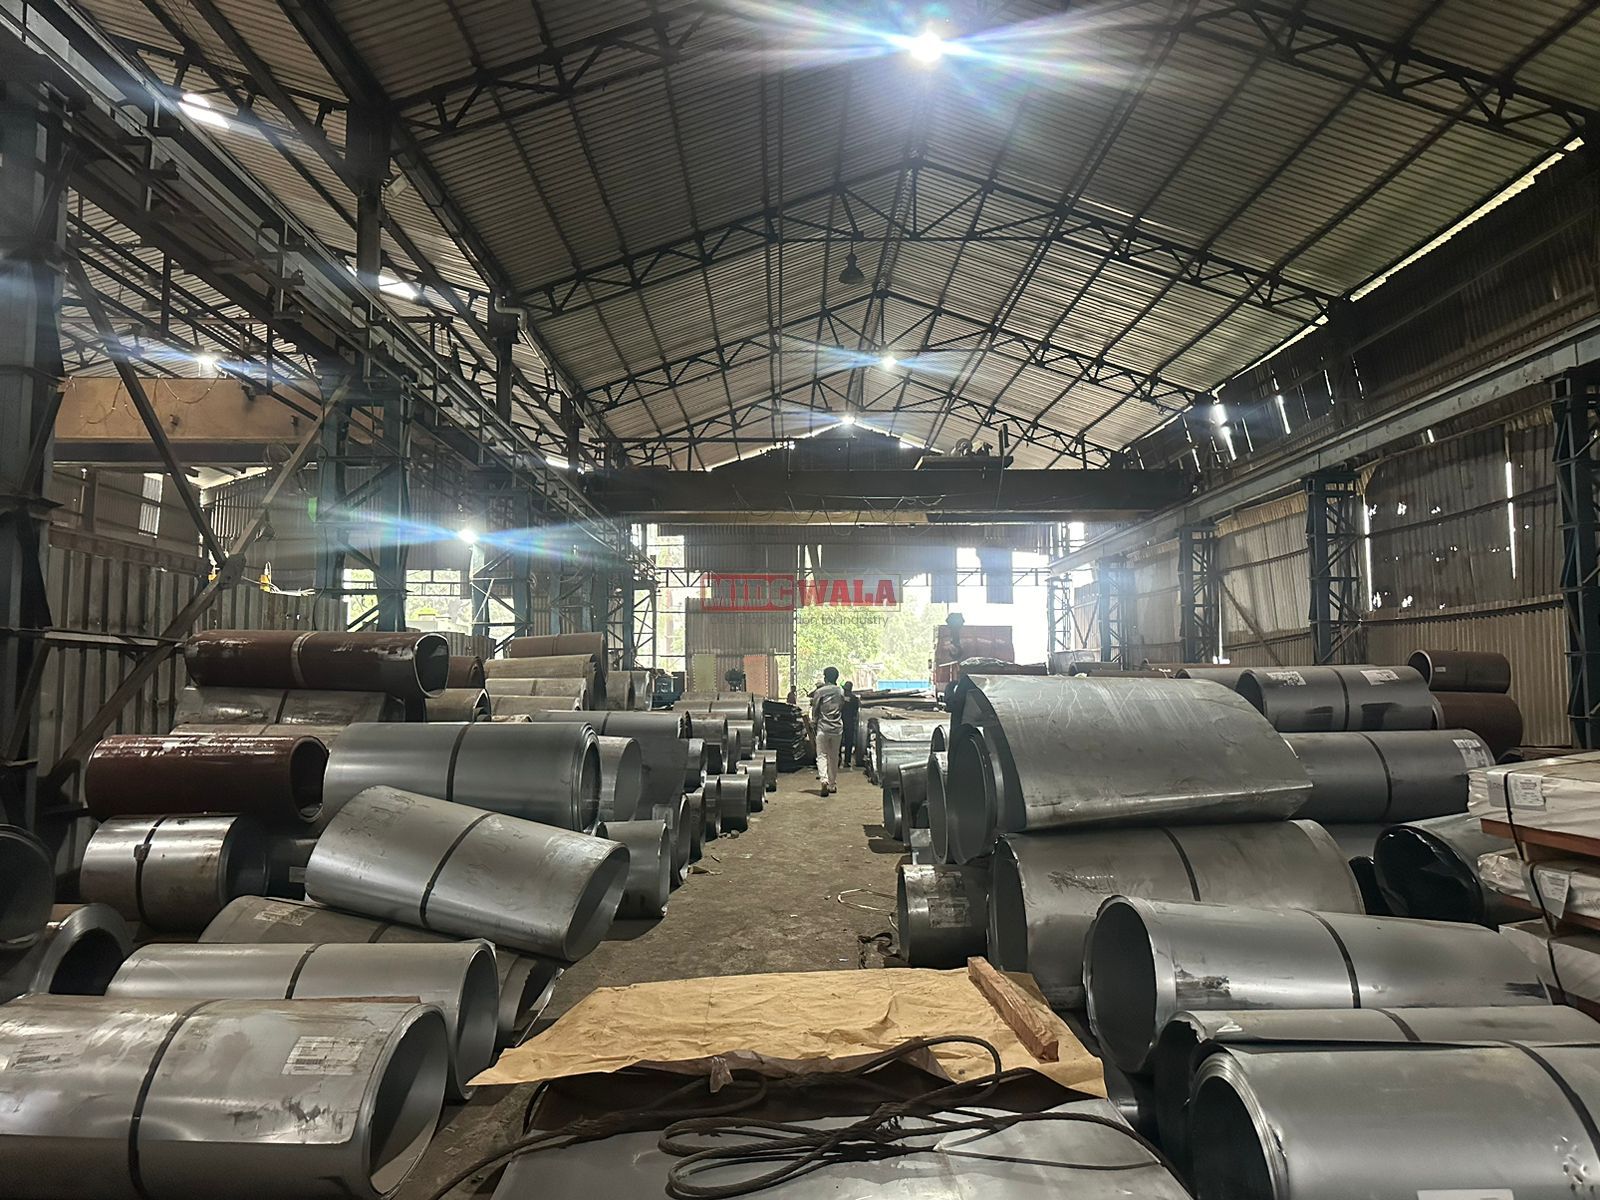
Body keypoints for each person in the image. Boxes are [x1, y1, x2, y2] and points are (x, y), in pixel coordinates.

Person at [811, 666, 845, 795]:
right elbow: (841, 706)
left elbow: (815, 709)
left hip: (823, 728)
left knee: (821, 755)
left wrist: (814, 721)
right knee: (834, 756)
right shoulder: (840, 691)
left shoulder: (820, 691)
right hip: (837, 728)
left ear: (825, 677)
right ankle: (832, 784)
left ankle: (824, 780)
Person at [840, 681, 861, 769]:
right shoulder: (854, 698)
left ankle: (838, 759)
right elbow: (857, 710)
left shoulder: (840, 698)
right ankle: (847, 761)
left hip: (840, 721)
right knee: (849, 742)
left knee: (839, 741)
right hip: (850, 722)